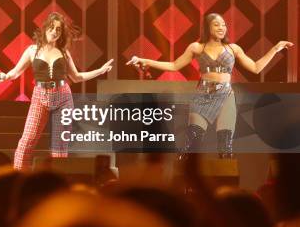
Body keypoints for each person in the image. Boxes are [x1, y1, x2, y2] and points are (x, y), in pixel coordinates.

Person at [126, 12, 293, 157]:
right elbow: (174, 65)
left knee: (225, 146)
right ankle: (184, 187)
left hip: (226, 96)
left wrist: (276, 49)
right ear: (207, 27)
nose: (221, 27)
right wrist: (144, 60)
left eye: (224, 25)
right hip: (203, 94)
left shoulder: (233, 48)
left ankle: (226, 189)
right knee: (191, 142)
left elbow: (256, 68)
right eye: (216, 24)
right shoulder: (196, 47)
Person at [0, 12, 114, 170]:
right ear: (45, 29)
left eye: (58, 29)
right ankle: (17, 176)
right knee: (26, 140)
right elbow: (15, 72)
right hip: (40, 96)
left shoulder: (64, 52)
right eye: (52, 28)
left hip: (63, 97)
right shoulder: (32, 50)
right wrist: (4, 76)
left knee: (59, 145)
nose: (54, 31)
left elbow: (77, 77)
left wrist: (100, 71)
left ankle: (57, 181)